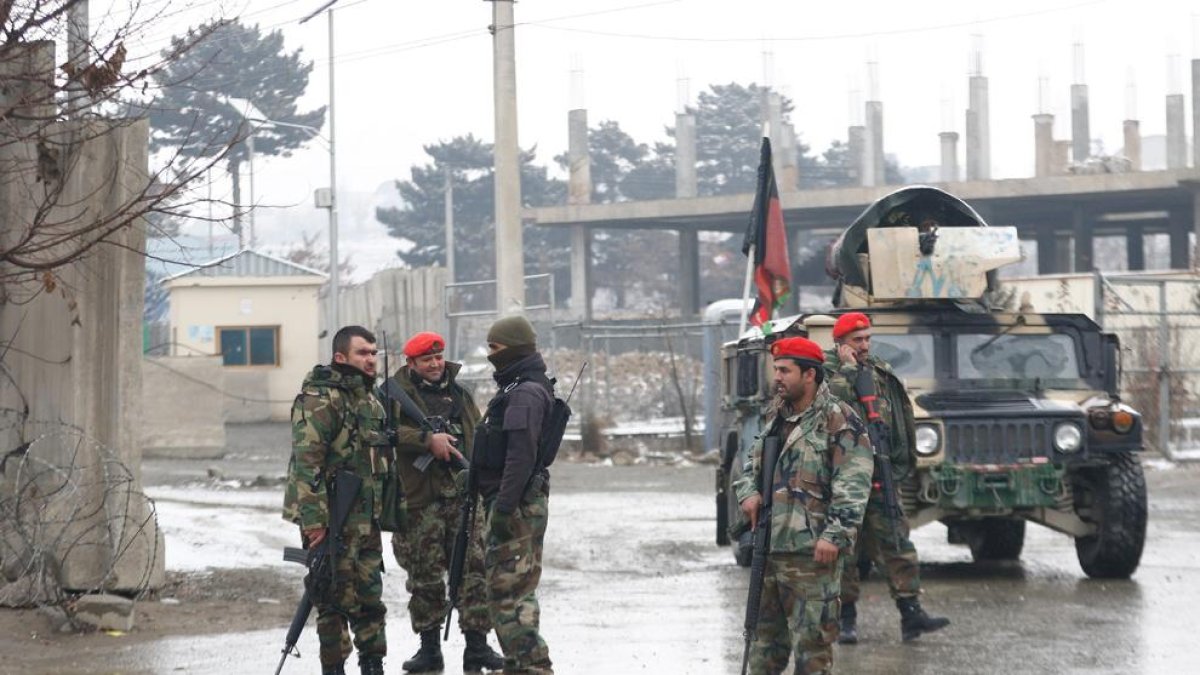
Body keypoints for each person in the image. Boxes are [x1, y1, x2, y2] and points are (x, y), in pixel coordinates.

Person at [734, 336, 874, 675]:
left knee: (812, 652)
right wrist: (747, 494)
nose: (777, 377)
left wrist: (835, 534)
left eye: (785, 370)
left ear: (809, 375)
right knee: (763, 651)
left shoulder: (838, 418)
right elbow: (750, 467)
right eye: (776, 369)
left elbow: (853, 483)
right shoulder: (777, 418)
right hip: (770, 550)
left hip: (811, 555)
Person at [822, 312, 951, 643]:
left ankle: (911, 614)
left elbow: (896, 414)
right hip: (843, 477)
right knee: (845, 550)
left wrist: (900, 460)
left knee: (897, 542)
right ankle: (845, 619)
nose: (864, 345)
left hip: (881, 472)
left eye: (867, 338)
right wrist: (848, 370)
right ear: (841, 343)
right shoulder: (826, 371)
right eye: (857, 340)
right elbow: (830, 408)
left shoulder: (879, 370)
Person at [383, 331, 505, 673]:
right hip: (419, 501)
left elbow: (478, 434)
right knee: (424, 576)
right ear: (411, 363)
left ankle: (477, 647)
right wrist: (425, 440)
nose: (435, 364)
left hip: (462, 499)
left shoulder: (461, 396)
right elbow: (381, 433)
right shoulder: (392, 398)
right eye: (427, 360)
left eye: (438, 357)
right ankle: (429, 650)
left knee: (473, 572)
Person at [283, 325, 390, 675]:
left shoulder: (371, 401)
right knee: (331, 600)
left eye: (374, 353)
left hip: (365, 520)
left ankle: (373, 664)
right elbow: (306, 462)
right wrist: (314, 521)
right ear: (340, 357)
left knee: (370, 597)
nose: (371, 359)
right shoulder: (320, 398)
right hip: (332, 519)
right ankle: (334, 669)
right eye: (363, 353)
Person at [472, 315, 555, 674]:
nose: (491, 355)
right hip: (518, 501)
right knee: (516, 589)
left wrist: (503, 510)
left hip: (515, 506)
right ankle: (520, 663)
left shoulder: (523, 393)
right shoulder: (522, 386)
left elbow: (519, 457)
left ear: (515, 348)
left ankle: (532, 666)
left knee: (507, 594)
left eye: (496, 348)